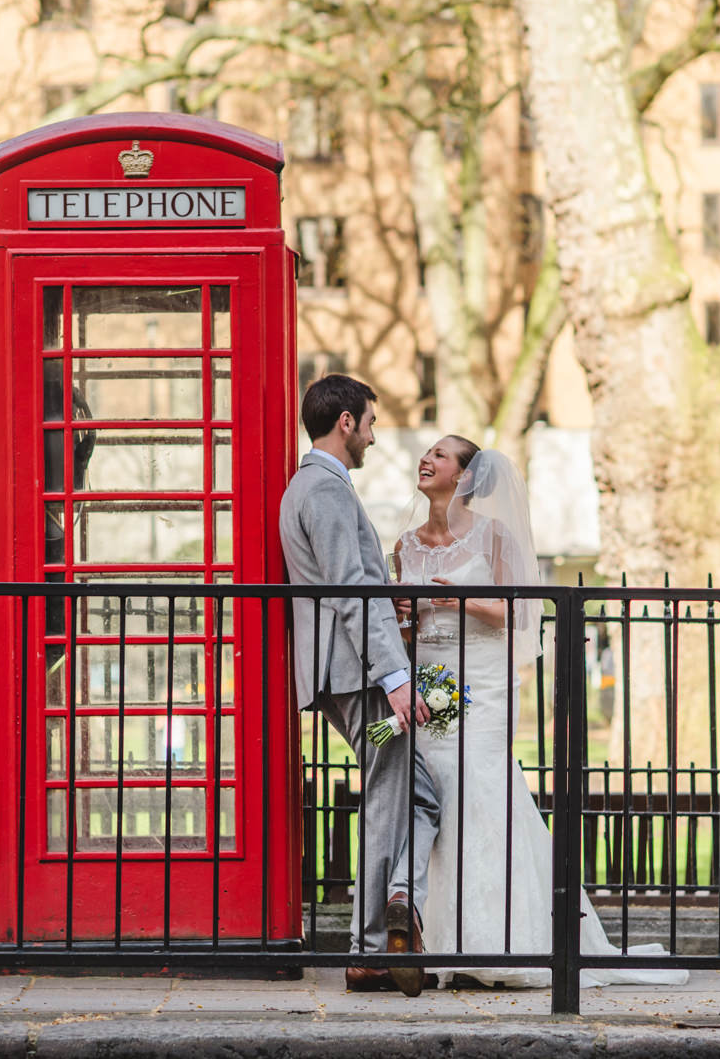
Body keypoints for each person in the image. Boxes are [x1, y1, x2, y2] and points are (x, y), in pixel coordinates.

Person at [394, 435, 687, 989]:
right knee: (432, 798)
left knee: (480, 795)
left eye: (441, 454)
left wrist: (452, 600)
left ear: (464, 475)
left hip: (481, 678)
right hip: (428, 678)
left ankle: (497, 939)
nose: (427, 459)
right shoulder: (407, 543)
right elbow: (405, 627)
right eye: (426, 452)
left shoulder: (493, 535)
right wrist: (404, 611)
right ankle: (435, 939)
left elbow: (521, 612)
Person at [278, 374, 440, 996]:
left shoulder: (318, 487)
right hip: (363, 681)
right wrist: (396, 677)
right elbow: (349, 589)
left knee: (413, 793)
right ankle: (370, 948)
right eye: (369, 423)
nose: (373, 435)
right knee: (387, 795)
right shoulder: (323, 490)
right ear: (344, 422)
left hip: (354, 680)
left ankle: (399, 900)